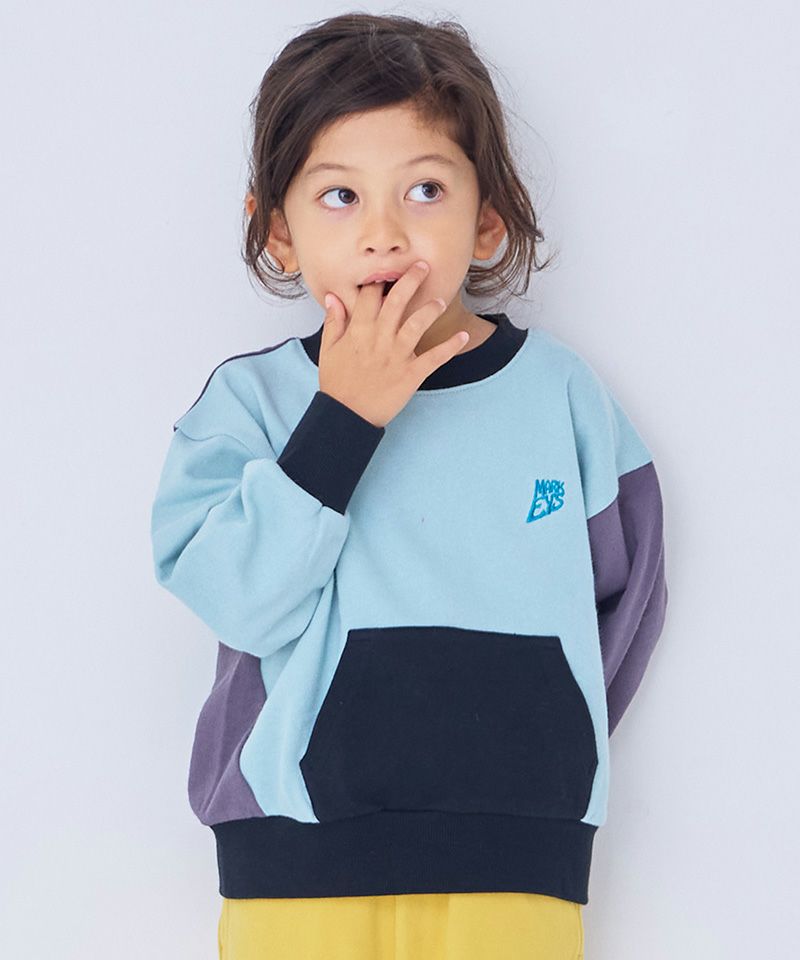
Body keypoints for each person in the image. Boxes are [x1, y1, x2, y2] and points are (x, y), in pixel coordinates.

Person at [150, 12, 669, 960]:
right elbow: (232, 597)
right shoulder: (250, 406)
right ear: (279, 232)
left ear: (486, 218)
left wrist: (539, 746)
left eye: (425, 189)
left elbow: (627, 599)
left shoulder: (562, 398)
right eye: (340, 195)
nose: (384, 233)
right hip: (297, 865)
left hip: (517, 867)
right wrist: (343, 419)